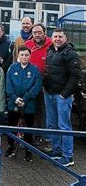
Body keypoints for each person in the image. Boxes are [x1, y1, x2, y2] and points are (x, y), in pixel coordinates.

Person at [43, 28, 82, 167]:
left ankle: (68, 155)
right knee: (52, 124)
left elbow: (76, 76)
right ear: (51, 38)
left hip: (62, 96)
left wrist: (64, 94)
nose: (57, 39)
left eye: (60, 36)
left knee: (64, 126)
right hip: (49, 93)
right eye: (55, 36)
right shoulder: (50, 51)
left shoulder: (70, 54)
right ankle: (56, 150)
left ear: (65, 38)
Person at [5, 46, 42, 162]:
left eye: (26, 55)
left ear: (30, 56)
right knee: (11, 127)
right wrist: (15, 98)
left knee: (28, 129)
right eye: (22, 55)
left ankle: (28, 150)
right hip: (13, 104)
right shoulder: (12, 68)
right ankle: (11, 147)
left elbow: (37, 86)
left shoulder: (35, 70)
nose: (24, 57)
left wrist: (25, 99)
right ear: (18, 56)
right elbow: (8, 85)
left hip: (29, 105)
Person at [25, 23, 53, 149]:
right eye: (35, 32)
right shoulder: (28, 45)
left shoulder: (51, 45)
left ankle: (46, 138)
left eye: (39, 32)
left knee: (44, 112)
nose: (37, 35)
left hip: (45, 85)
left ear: (44, 32)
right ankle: (31, 137)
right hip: (30, 85)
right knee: (31, 110)